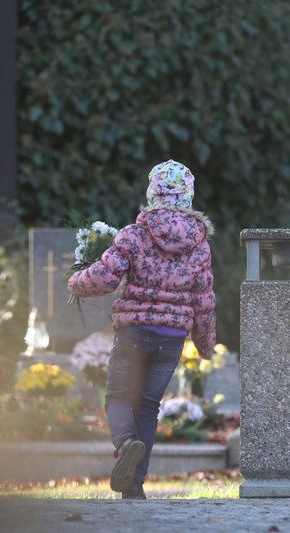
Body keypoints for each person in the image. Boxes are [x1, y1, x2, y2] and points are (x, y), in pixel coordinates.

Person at [68, 160, 217, 499]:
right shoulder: (199, 244)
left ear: (153, 194)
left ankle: (124, 446)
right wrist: (205, 344)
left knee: (119, 397)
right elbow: (204, 298)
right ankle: (134, 485)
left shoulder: (133, 235)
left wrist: (76, 282)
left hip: (134, 331)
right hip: (172, 338)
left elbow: (105, 277)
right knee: (148, 406)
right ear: (188, 197)